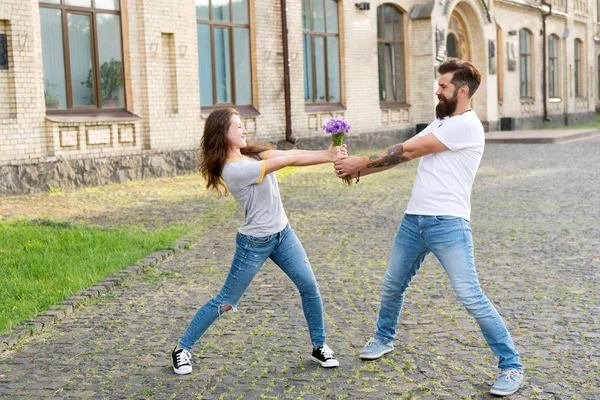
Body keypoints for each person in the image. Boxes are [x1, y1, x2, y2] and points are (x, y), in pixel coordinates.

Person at [333, 60, 524, 396]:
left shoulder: (465, 126)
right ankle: (383, 338)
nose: (437, 90)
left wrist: (358, 163)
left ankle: (511, 366)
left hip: (448, 224)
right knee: (393, 283)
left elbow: (407, 150)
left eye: (444, 86)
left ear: (462, 91)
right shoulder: (442, 120)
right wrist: (357, 171)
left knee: (470, 296)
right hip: (414, 220)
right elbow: (400, 156)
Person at [172, 107, 346, 375]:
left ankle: (319, 346)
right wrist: (327, 155)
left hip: (283, 234)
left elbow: (290, 155)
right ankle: (182, 349)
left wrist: (328, 154)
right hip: (254, 243)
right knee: (225, 302)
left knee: (309, 286)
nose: (244, 130)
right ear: (222, 133)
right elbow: (284, 162)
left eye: (243, 125)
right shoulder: (234, 170)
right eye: (237, 126)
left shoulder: (251, 154)